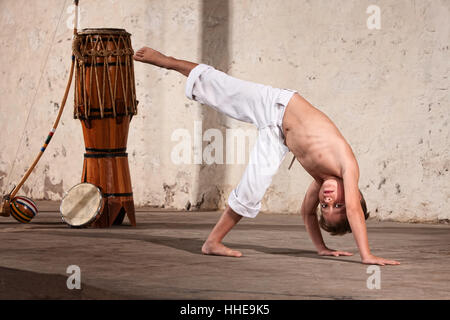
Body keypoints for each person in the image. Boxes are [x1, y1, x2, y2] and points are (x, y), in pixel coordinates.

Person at [134, 47, 400, 266]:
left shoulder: (321, 183)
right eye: (337, 205)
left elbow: (306, 213)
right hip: (278, 105)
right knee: (223, 89)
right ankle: (167, 62)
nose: (328, 201)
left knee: (252, 190)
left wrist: (321, 248)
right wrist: (366, 255)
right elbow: (354, 210)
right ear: (357, 196)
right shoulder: (348, 166)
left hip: (278, 138)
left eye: (326, 207)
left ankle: (212, 242)